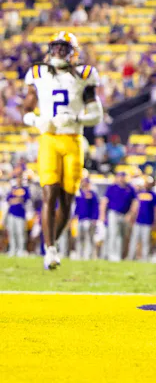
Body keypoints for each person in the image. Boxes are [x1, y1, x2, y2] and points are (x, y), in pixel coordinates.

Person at [19, 32, 103, 269]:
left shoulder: (84, 75)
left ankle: (49, 244)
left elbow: (97, 114)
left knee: (67, 201)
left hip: (74, 139)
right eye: (55, 48)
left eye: (63, 48)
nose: (57, 52)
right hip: (49, 139)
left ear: (73, 51)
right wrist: (37, 121)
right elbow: (26, 110)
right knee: (49, 194)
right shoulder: (38, 73)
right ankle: (51, 250)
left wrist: (76, 118)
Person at [101, 171, 135, 261]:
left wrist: (130, 214)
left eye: (123, 177)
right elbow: (105, 201)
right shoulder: (112, 188)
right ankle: (111, 255)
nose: (121, 179)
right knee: (113, 234)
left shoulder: (130, 188)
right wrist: (102, 215)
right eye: (120, 177)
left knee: (122, 236)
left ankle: (119, 255)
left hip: (125, 214)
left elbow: (134, 203)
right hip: (113, 213)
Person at [127, 180, 156, 261]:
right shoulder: (139, 194)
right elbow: (135, 206)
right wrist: (132, 217)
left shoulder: (154, 195)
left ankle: (144, 258)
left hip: (148, 222)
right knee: (134, 240)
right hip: (138, 221)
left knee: (145, 241)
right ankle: (131, 257)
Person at [73, 178, 99, 260]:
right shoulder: (79, 193)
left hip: (89, 219)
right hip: (80, 218)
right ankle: (79, 254)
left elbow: (95, 207)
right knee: (79, 237)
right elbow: (77, 206)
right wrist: (75, 215)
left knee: (88, 238)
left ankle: (88, 255)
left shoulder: (92, 194)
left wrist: (94, 218)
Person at [4, 178, 31, 256]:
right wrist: (17, 200)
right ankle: (13, 249)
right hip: (11, 213)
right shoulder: (13, 189)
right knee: (12, 233)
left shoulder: (25, 189)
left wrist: (16, 200)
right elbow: (8, 200)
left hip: (20, 214)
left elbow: (25, 199)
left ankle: (21, 250)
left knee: (21, 233)